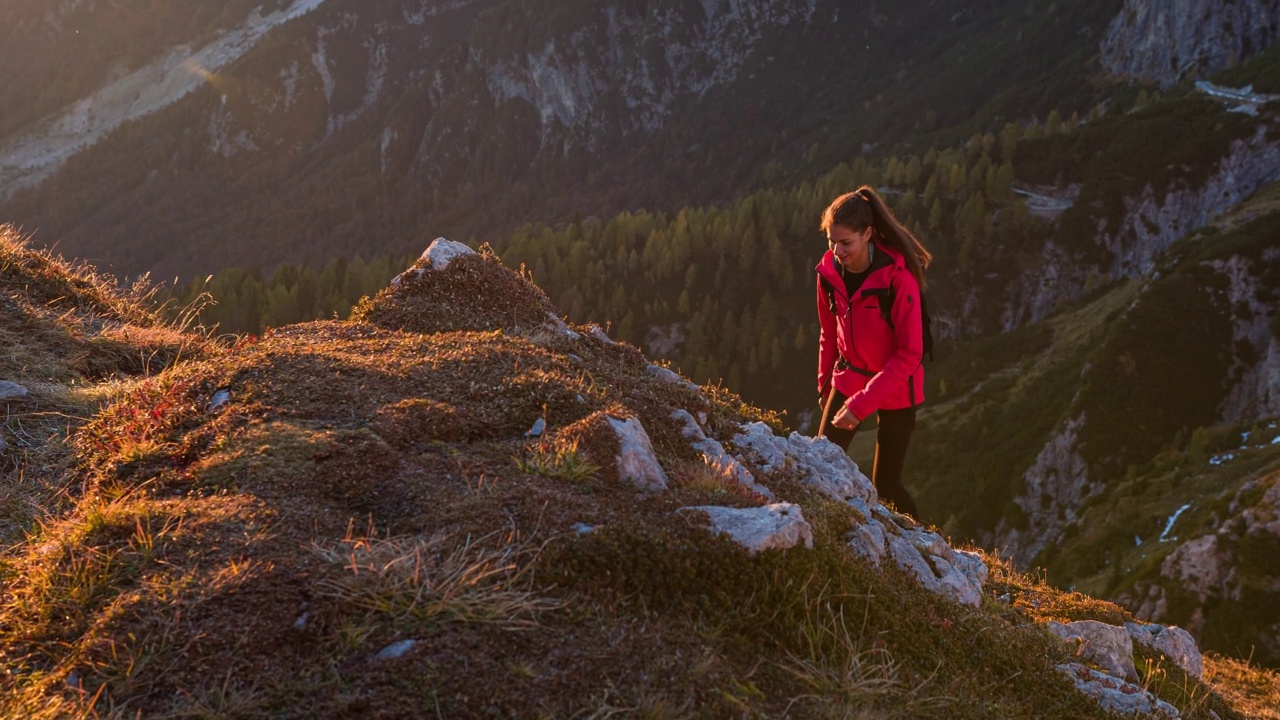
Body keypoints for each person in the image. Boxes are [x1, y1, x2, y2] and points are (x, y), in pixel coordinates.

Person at [815, 186, 932, 519]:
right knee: (821, 465)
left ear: (867, 234)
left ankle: (927, 550)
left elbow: (910, 353)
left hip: (897, 387)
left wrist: (861, 403)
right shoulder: (827, 275)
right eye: (831, 242)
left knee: (888, 487)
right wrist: (825, 385)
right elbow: (828, 332)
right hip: (849, 377)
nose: (838, 251)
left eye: (846, 242)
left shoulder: (897, 279)